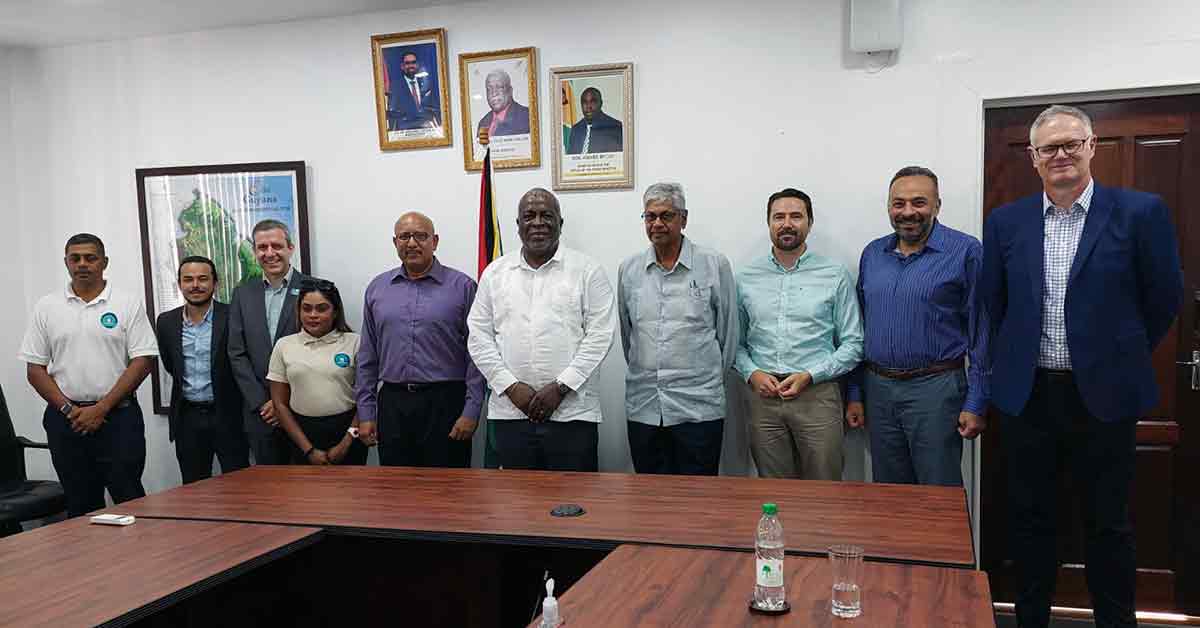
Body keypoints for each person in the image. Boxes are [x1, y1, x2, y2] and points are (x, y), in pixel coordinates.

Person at [982, 105, 1183, 628]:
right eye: (1049, 148)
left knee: (1108, 527)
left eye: (1071, 143)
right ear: (1033, 158)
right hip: (1030, 397)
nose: (1061, 155)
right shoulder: (1007, 223)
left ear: (1092, 146)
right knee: (1030, 525)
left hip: (1106, 397)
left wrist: (1115, 354)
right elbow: (996, 304)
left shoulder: (1140, 212)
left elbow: (1163, 299)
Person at [844, 167, 987, 487]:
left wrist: (976, 400)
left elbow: (981, 329)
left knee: (938, 492)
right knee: (889, 492)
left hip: (936, 389)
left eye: (919, 202)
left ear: (937, 205)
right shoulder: (873, 253)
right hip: (878, 390)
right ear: (889, 207)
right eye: (899, 203)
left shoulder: (965, 251)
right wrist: (855, 392)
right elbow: (858, 328)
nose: (908, 212)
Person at [467, 188, 616, 472]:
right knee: (517, 506)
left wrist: (560, 388)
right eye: (529, 216)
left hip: (572, 413)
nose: (538, 222)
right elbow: (479, 336)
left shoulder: (587, 271)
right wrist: (510, 386)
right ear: (518, 225)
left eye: (546, 215)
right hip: (511, 414)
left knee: (575, 504)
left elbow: (600, 336)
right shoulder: (495, 274)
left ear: (561, 223)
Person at [18, 233, 158, 517]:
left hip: (119, 419)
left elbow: (143, 361)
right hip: (65, 421)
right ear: (66, 262)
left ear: (104, 262)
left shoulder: (126, 303)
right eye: (75, 258)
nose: (82, 264)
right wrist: (71, 410)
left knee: (130, 500)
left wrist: (101, 408)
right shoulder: (48, 306)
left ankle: (137, 561)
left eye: (90, 258)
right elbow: (35, 369)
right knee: (80, 505)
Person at [734, 189, 863, 480]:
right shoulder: (745, 277)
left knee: (824, 489)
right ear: (768, 223)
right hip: (762, 397)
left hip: (817, 394)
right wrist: (751, 373)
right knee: (773, 491)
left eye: (796, 216)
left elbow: (854, 343)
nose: (787, 224)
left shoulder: (834, 274)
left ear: (810, 222)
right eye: (778, 217)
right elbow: (736, 342)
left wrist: (810, 375)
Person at [617, 183, 737, 475]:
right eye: (650, 216)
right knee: (651, 500)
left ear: (683, 219)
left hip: (699, 409)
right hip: (645, 407)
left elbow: (729, 334)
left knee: (699, 500)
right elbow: (627, 336)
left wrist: (705, 383)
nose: (657, 223)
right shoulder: (629, 270)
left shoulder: (713, 265)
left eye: (666, 215)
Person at [356, 212, 484, 467]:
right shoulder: (377, 289)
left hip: (446, 403)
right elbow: (367, 357)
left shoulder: (463, 287)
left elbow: (477, 356)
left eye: (420, 236)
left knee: (449, 488)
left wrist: (471, 410)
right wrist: (366, 412)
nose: (412, 243)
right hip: (393, 404)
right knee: (397, 488)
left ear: (435, 241)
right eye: (404, 237)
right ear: (395, 243)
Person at [155, 255, 249, 484]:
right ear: (180, 284)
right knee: (193, 487)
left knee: (240, 486)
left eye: (202, 279)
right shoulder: (166, 322)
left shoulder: (233, 316)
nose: (195, 285)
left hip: (228, 414)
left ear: (215, 283)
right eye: (188, 279)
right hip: (187, 417)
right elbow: (170, 364)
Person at [228, 219, 312, 465]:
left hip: (302, 409)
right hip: (261, 414)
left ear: (290, 248)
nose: (269, 253)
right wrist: (263, 402)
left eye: (276, 246)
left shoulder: (312, 288)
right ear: (254, 252)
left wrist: (282, 404)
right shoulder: (242, 294)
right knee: (267, 491)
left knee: (309, 489)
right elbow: (236, 353)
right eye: (262, 247)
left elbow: (321, 348)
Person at [268, 279, 367, 466]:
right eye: (306, 308)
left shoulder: (355, 342)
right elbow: (279, 404)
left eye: (322, 309)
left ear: (335, 311)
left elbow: (366, 396)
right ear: (298, 311)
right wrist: (308, 450)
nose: (313, 315)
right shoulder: (284, 345)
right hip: (301, 434)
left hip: (347, 431)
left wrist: (347, 441)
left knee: (350, 492)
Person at [390, 50, 440, 131]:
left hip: (428, 129)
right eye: (407, 63)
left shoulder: (426, 83)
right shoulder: (395, 87)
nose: (411, 65)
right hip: (406, 130)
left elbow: (434, 108)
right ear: (402, 66)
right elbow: (393, 113)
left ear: (417, 64)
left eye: (413, 62)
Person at [565, 87, 623, 154]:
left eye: (593, 102)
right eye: (584, 102)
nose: (588, 106)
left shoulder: (616, 127)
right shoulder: (575, 129)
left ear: (600, 103)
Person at [475, 69, 531, 138]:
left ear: (510, 91)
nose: (494, 93)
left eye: (499, 87)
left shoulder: (527, 116)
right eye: (489, 89)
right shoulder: (483, 123)